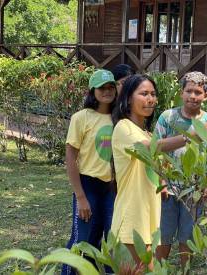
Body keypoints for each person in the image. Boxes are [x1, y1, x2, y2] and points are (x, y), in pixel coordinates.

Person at [110, 74, 207, 269]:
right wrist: (191, 136)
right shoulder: (123, 127)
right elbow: (149, 147)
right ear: (128, 97)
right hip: (132, 222)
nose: (150, 99)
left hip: (148, 222)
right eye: (144, 93)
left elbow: (157, 162)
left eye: (153, 94)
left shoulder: (144, 131)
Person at [155, 71, 207, 268]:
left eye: (198, 92)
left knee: (188, 238)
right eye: (189, 91)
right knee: (164, 236)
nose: (193, 96)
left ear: (205, 96)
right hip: (167, 189)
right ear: (181, 93)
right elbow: (156, 149)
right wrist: (161, 181)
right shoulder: (168, 118)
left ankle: (184, 271)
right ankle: (158, 271)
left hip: (195, 190)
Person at [62, 69, 117, 275]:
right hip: (88, 185)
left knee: (113, 240)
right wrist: (81, 197)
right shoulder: (81, 117)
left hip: (113, 187)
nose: (107, 91)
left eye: (110, 87)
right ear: (92, 91)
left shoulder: (120, 118)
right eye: (102, 88)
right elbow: (70, 157)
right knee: (82, 240)